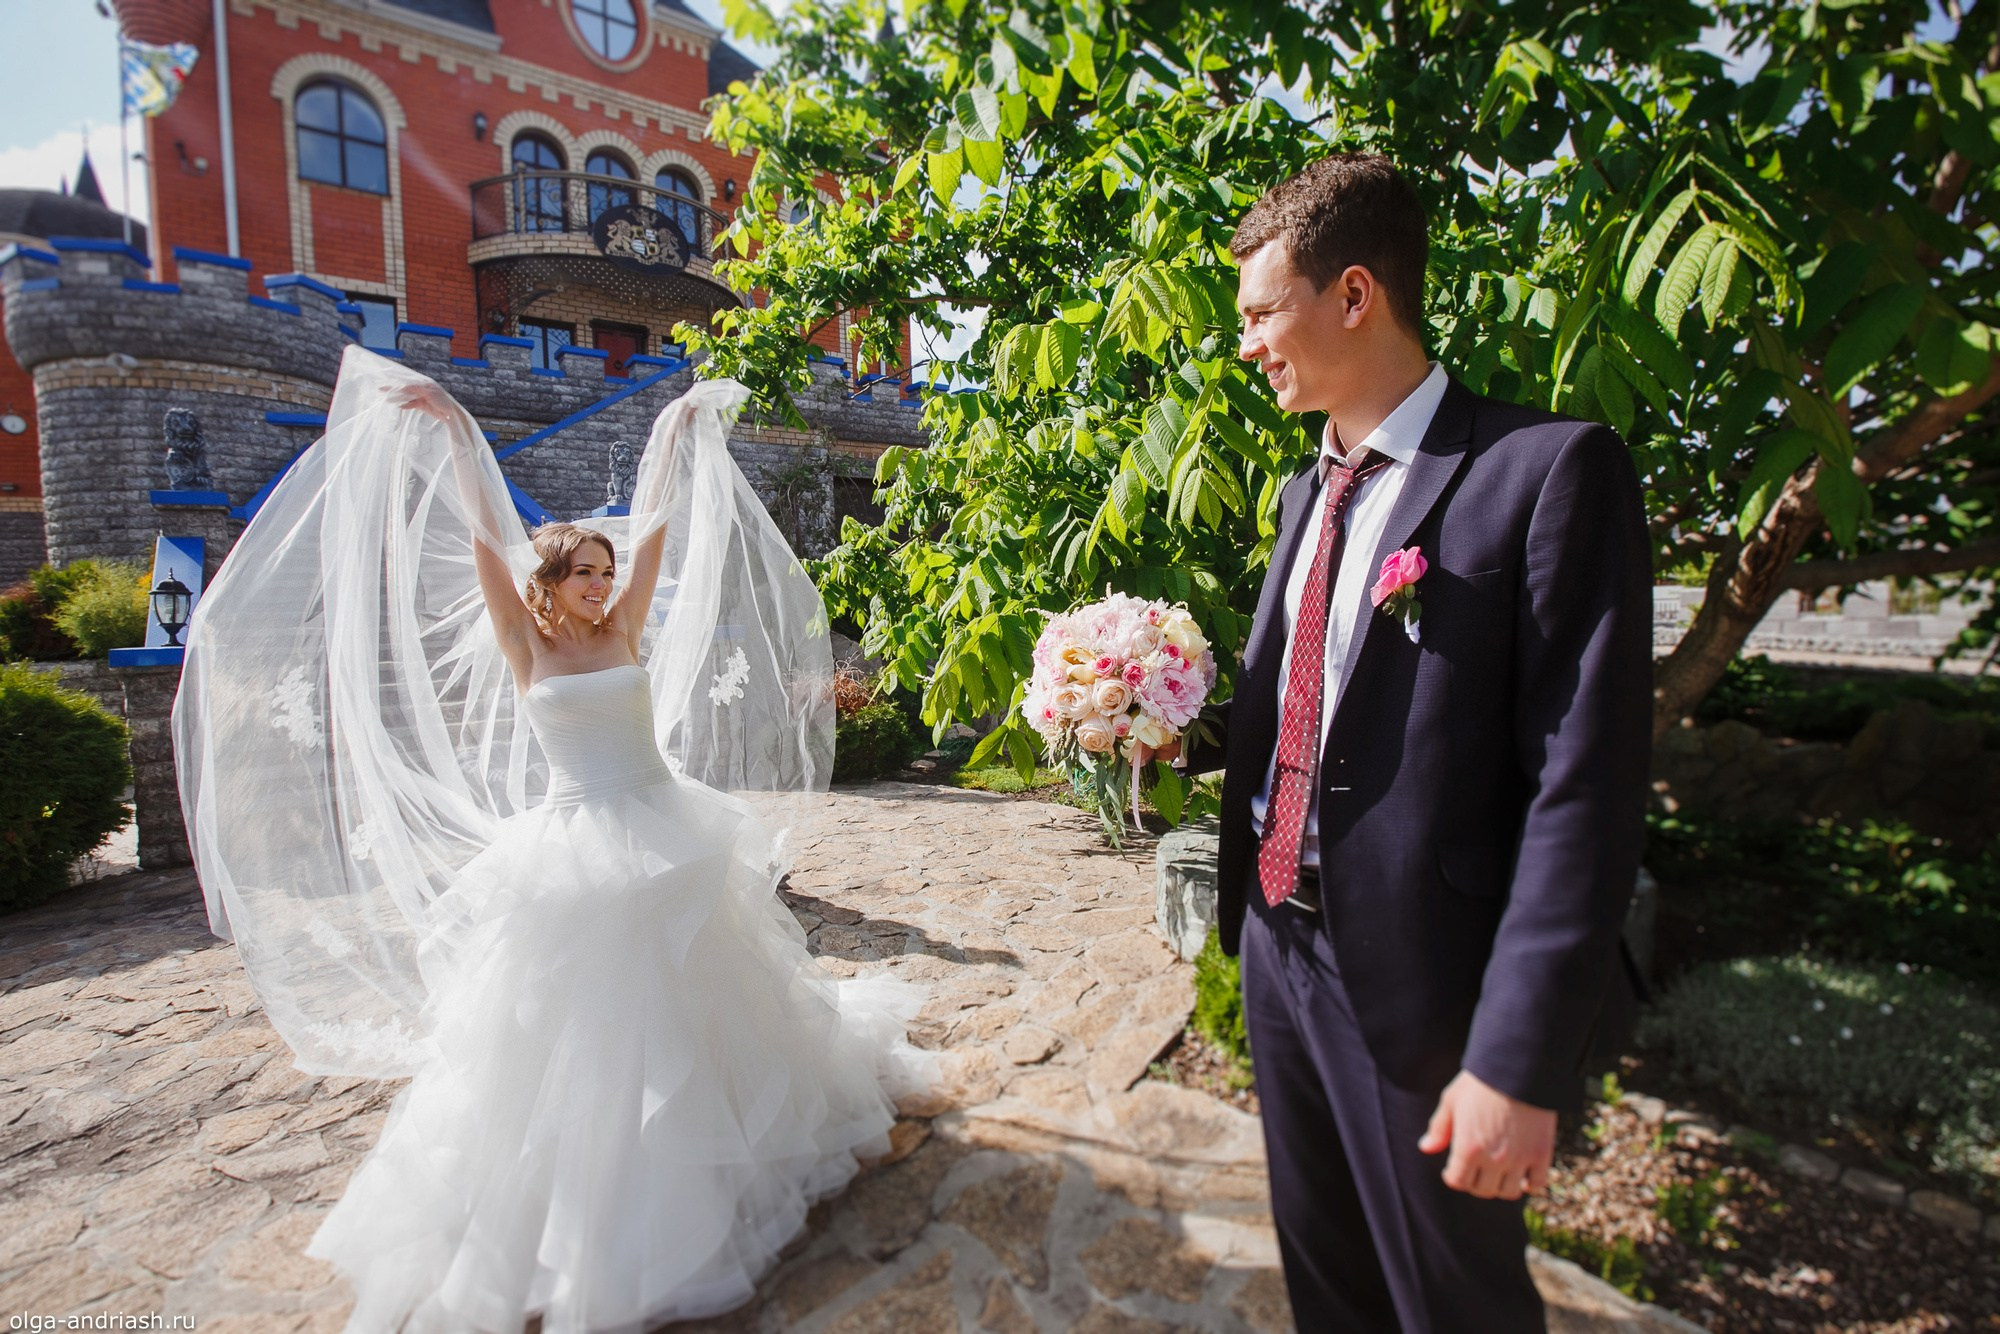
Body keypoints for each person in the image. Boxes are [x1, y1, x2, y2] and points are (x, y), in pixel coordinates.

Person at [172, 347, 931, 1334]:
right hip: (571, 835)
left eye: (605, 572)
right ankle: (608, 1194)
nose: (598, 583)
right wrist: (447, 423)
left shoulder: (623, 633)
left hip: (662, 819)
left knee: (704, 992)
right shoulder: (526, 641)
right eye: (582, 571)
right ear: (553, 580)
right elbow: (487, 534)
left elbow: (655, 521)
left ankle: (725, 1149)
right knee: (577, 1028)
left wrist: (674, 429)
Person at [1145, 153, 1651, 1330]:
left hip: (1431, 978)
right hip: (1278, 948)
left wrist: (1516, 1060)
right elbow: (1316, 708)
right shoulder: (1299, 490)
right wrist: (1151, 710)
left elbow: (1580, 791)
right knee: (1329, 1282)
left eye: (1262, 311)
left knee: (1452, 1300)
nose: (1246, 342)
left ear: (1355, 294)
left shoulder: (1543, 472)